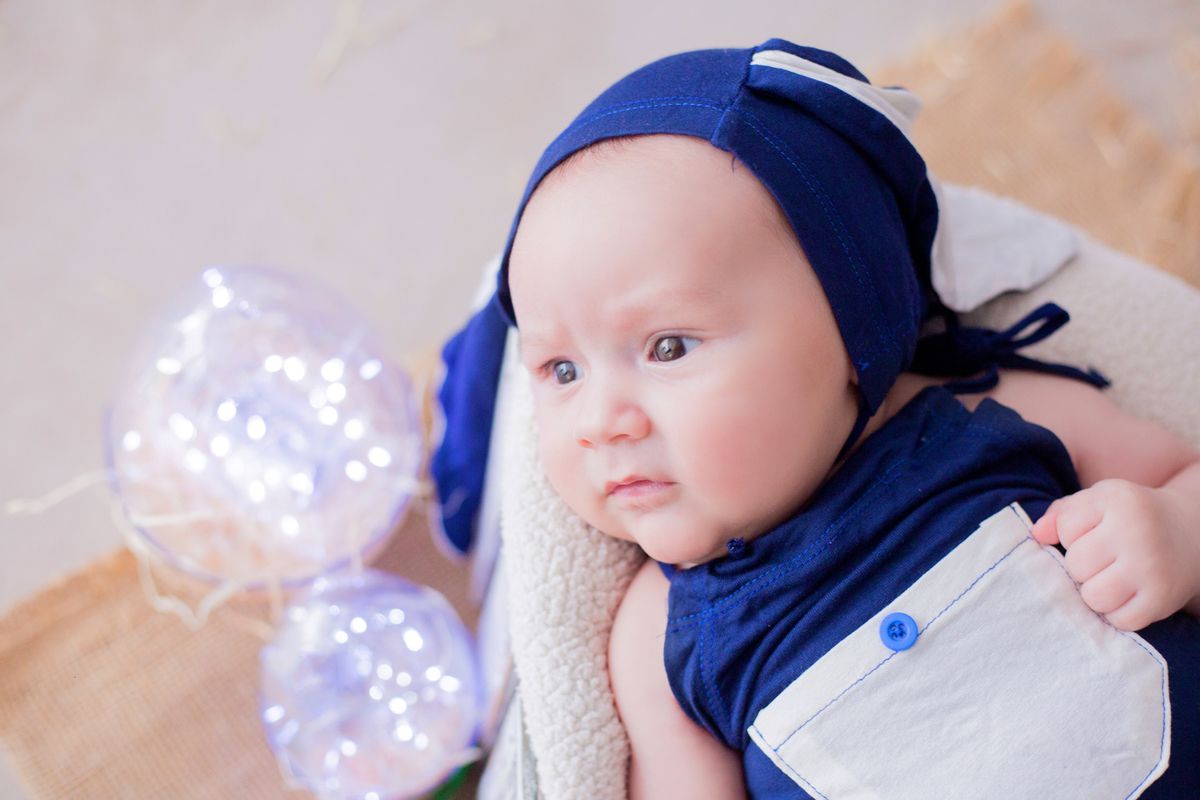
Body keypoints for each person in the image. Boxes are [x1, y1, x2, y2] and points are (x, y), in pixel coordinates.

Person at [435, 39, 1200, 798]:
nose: (601, 421)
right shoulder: (657, 636)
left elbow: (1182, 475)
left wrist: (1173, 529)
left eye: (667, 346)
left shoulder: (990, 422)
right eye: (560, 370)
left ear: (850, 326)